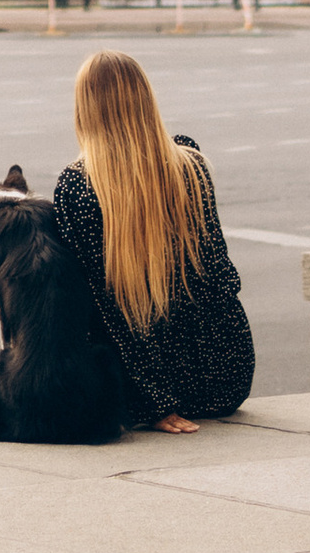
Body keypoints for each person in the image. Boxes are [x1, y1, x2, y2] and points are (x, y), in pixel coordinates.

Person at [50, 49, 255, 434]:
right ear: (146, 99)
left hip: (143, 388)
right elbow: (219, 276)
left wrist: (155, 402)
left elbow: (107, 310)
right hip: (226, 377)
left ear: (85, 109)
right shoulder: (189, 163)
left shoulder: (77, 186)